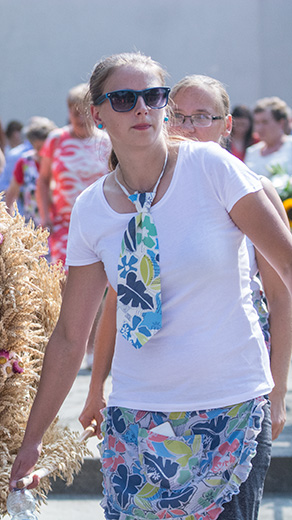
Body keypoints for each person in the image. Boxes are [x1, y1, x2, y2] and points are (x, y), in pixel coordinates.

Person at [10, 53, 292, 520]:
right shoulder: (91, 209)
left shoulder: (213, 169)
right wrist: (33, 439)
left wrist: (279, 389)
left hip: (231, 410)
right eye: (124, 99)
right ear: (95, 114)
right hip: (137, 420)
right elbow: (69, 335)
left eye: (154, 96)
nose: (142, 109)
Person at [80, 73, 291, 472]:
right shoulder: (138, 195)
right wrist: (96, 386)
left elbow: (280, 297)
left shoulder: (251, 188)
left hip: (232, 370)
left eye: (201, 117)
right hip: (155, 391)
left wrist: (278, 391)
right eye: (179, 116)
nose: (187, 128)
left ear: (226, 125)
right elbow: (121, 301)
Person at [36, 82, 110, 266]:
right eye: (74, 112)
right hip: (64, 224)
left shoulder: (107, 142)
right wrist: (45, 216)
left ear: (94, 112)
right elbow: (43, 180)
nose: (79, 118)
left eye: (84, 112)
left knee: (100, 278)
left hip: (99, 223)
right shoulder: (56, 139)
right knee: (63, 276)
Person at [4, 116, 58, 224]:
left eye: (45, 149)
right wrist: (9, 222)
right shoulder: (25, 162)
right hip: (32, 227)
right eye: (38, 148)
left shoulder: (58, 162)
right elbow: (11, 194)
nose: (42, 153)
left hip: (56, 225)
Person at [245, 96, 292, 183]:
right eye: (257, 122)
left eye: (265, 122)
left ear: (281, 123)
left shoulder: (290, 147)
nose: (259, 128)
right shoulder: (252, 152)